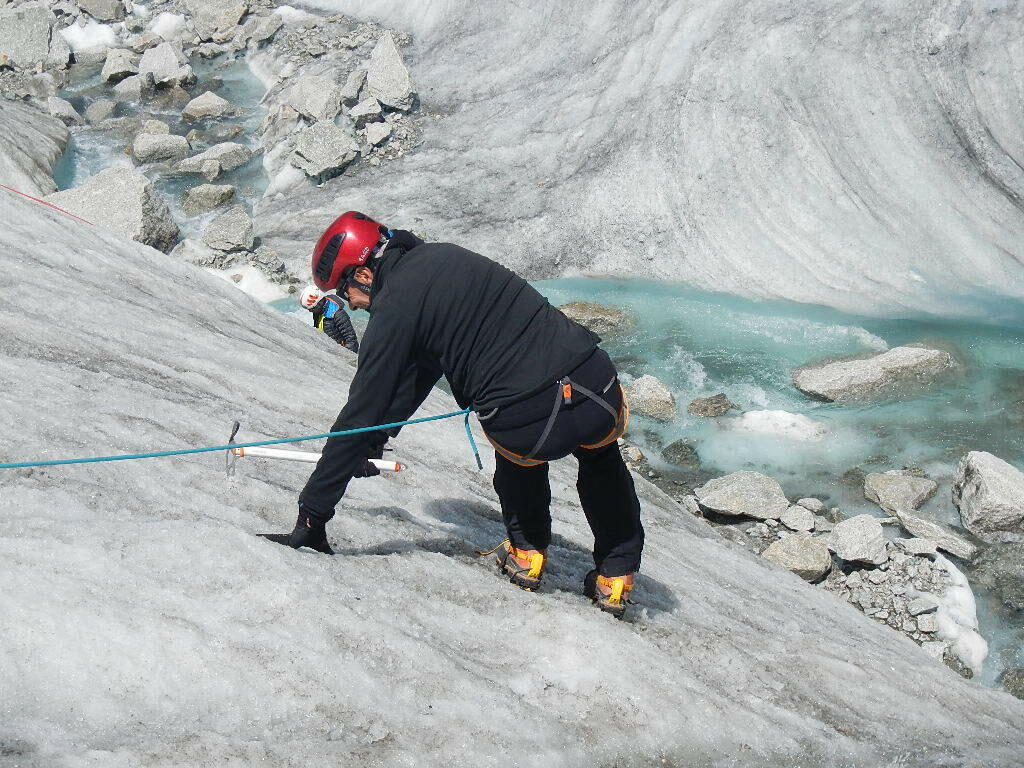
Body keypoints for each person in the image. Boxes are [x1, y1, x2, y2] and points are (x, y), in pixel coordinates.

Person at [283, 211, 644, 616]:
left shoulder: (394, 306)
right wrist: (374, 441)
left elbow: (361, 411)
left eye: (343, 290)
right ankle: (616, 576)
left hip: (528, 421)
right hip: (597, 387)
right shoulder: (444, 255)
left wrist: (313, 515)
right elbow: (423, 368)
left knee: (518, 461)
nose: (348, 303)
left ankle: (527, 554)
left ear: (364, 275)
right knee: (601, 458)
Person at [298, 284, 360, 353]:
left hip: (339, 350)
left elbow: (351, 340)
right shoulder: (318, 311)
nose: (310, 311)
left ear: (319, 304)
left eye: (312, 309)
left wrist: (345, 355)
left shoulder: (338, 314)